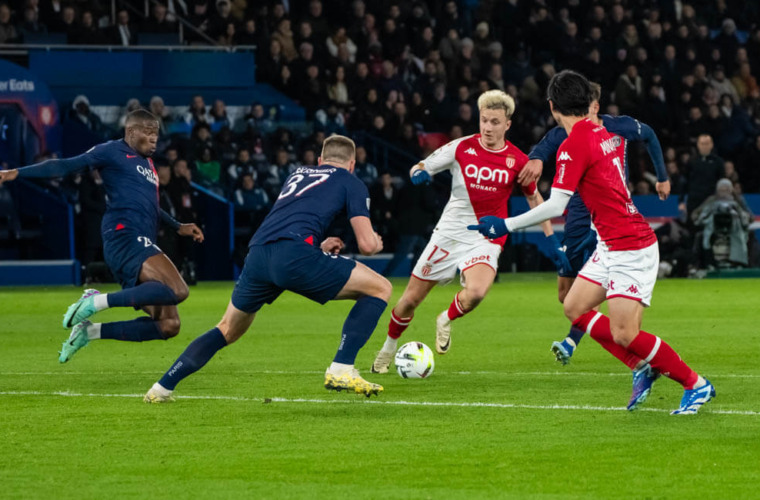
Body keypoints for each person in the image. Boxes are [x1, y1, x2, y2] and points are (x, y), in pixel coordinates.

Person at [469, 70, 714, 415]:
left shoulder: (575, 144)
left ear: (553, 107)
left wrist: (503, 224)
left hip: (631, 245)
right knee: (574, 306)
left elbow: (555, 205)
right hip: (609, 244)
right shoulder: (602, 131)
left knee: (625, 332)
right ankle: (641, 366)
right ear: (588, 103)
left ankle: (696, 384)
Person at [144, 135, 391, 403]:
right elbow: (366, 245)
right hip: (292, 256)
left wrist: (316, 246)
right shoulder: (350, 181)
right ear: (352, 164)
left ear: (320, 161)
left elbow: (291, 220)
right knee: (380, 288)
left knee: (227, 329)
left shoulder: (297, 173)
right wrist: (376, 243)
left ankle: (162, 387)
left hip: (260, 254)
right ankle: (342, 367)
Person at [371, 90, 569, 374]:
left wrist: (551, 239)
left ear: (507, 124)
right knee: (409, 301)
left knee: (476, 292)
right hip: (449, 233)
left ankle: (445, 318)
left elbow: (534, 199)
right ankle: (387, 349)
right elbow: (422, 164)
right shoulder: (461, 147)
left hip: (487, 236)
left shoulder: (517, 159)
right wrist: (419, 173)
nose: (488, 127)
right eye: (484, 120)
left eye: (495, 122)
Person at [0, 109, 204, 362]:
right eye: (148, 132)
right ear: (131, 131)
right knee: (179, 290)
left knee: (169, 325)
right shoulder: (110, 151)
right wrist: (17, 173)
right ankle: (95, 302)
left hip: (142, 239)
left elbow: (150, 204)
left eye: (156, 134)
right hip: (124, 234)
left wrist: (177, 225)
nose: (154, 139)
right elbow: (65, 165)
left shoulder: (147, 164)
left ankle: (89, 332)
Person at [520, 82, 672, 365]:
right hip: (577, 214)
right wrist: (537, 160)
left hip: (610, 216)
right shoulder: (565, 134)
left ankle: (578, 341)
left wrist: (661, 176)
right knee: (567, 295)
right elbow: (541, 150)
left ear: (595, 106)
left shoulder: (617, 127)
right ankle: (626, 345)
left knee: (605, 296)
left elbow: (649, 134)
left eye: (587, 108)